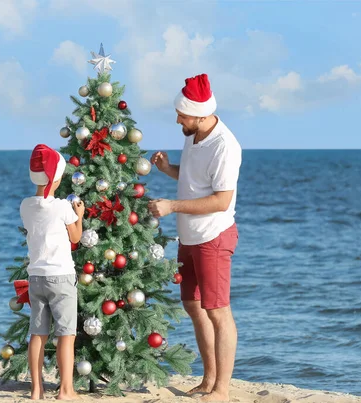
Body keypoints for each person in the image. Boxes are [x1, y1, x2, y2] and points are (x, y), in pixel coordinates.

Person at [148, 74, 242, 402]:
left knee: (218, 311)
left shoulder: (225, 146)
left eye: (182, 116)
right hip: (188, 238)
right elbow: (193, 179)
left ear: (201, 115)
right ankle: (209, 378)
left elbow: (220, 200)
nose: (178, 120)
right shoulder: (194, 135)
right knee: (192, 304)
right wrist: (168, 169)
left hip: (213, 238)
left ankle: (222, 390)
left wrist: (172, 206)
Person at [20, 144, 84, 400]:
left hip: (36, 278)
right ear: (56, 177)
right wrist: (79, 215)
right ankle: (66, 390)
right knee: (66, 335)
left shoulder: (25, 206)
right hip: (62, 278)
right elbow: (76, 237)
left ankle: (36, 390)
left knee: (38, 335)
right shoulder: (62, 208)